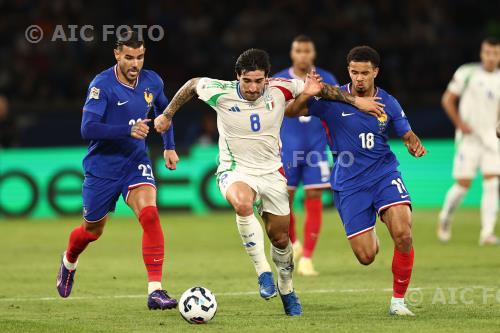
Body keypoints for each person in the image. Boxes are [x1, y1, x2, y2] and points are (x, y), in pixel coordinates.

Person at [153, 48, 384, 316]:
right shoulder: (220, 91)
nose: (252, 88)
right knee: (242, 204)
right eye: (246, 81)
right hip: (235, 170)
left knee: (281, 238)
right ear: (237, 76)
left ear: (267, 78)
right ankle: (263, 273)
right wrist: (167, 115)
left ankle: (286, 288)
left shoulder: (281, 88)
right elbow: (192, 85)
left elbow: (326, 92)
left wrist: (357, 102)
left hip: (273, 173)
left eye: (258, 81)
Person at [286, 46, 426, 316]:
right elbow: (292, 112)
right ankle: (371, 228)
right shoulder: (332, 98)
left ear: (375, 72)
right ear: (348, 71)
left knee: (403, 233)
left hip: (384, 174)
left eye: (365, 73)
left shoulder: (389, 102)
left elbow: (406, 134)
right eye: (354, 72)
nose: (359, 78)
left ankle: (398, 301)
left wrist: (413, 143)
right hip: (349, 182)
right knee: (366, 257)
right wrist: (306, 94)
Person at [56, 31, 180, 310]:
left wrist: (169, 146)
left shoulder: (152, 81)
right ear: (116, 55)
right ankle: (69, 261)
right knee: (91, 231)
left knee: (149, 214)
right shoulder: (102, 85)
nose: (135, 63)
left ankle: (155, 291)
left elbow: (166, 114)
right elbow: (87, 129)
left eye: (140, 57)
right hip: (103, 167)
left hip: (136, 163)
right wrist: (127, 129)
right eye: (128, 57)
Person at [274, 35, 338, 276]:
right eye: (298, 50)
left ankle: (308, 258)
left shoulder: (327, 79)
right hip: (287, 150)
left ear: (313, 54)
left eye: (307, 50)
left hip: (316, 150)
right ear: (292, 54)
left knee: (314, 198)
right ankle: (296, 243)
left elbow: (334, 112)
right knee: (284, 202)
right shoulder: (279, 80)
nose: (303, 55)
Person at [438, 37, 500, 246]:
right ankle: (445, 218)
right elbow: (447, 99)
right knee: (463, 185)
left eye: (495, 53)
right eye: (488, 53)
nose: (491, 57)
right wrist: (459, 123)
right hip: (469, 138)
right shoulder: (467, 72)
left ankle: (487, 233)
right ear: (482, 54)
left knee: (492, 183)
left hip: (492, 138)